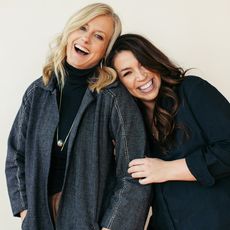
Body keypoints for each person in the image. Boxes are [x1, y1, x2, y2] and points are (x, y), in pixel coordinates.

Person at [5, 6, 152, 230]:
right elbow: (16, 156)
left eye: (99, 36)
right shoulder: (38, 92)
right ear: (70, 31)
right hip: (40, 220)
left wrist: (112, 226)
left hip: (90, 221)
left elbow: (135, 171)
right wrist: (26, 212)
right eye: (83, 27)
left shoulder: (113, 98)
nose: (86, 39)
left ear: (106, 50)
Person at [106, 33, 230, 230]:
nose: (141, 76)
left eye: (143, 64)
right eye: (127, 73)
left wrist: (167, 169)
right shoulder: (130, 125)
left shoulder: (192, 90)